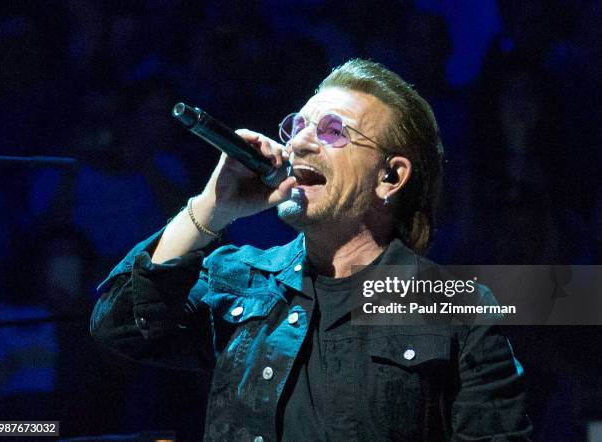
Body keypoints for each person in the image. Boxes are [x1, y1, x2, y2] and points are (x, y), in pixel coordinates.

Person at [91, 59, 532, 441]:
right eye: (297, 126)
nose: (298, 143)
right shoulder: (242, 280)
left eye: (333, 131)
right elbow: (118, 326)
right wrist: (212, 207)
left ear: (389, 177)